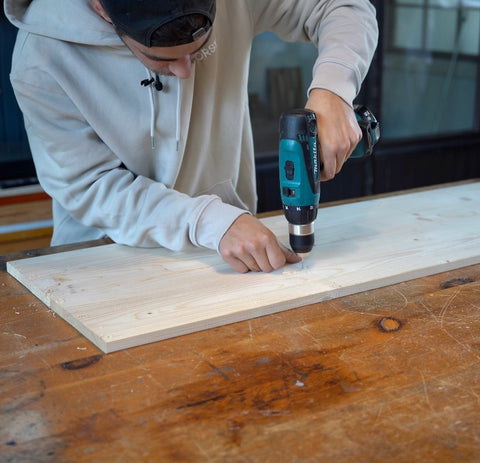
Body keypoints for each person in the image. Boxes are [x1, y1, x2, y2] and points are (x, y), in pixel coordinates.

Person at [4, 0, 378, 273]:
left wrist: (333, 89)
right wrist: (209, 221)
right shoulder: (41, 59)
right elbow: (88, 186)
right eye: (162, 60)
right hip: (103, 265)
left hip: (227, 255)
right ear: (102, 9)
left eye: (199, 51)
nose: (185, 72)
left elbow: (342, 7)